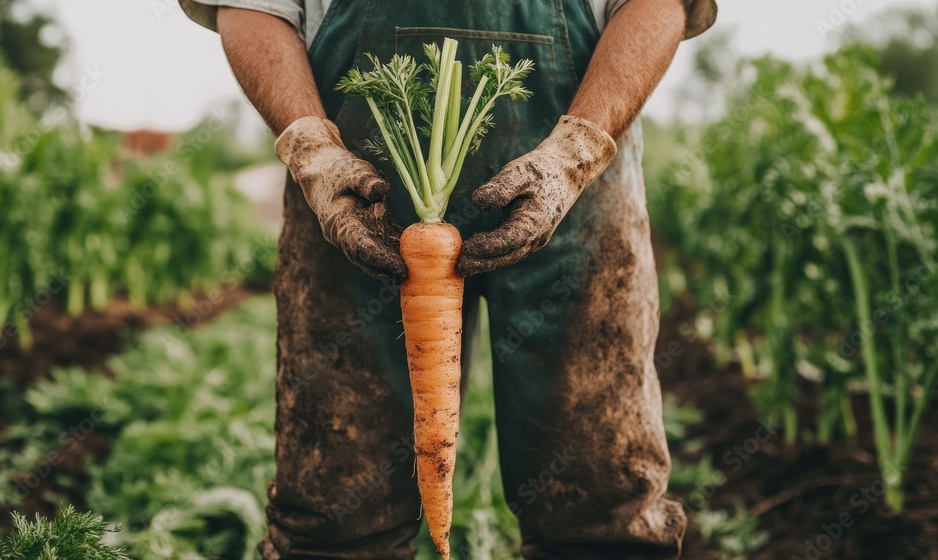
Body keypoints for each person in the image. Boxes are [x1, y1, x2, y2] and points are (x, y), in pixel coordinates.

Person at [179, 0, 717, 557]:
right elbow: (249, 7)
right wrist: (313, 152)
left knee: (597, 498)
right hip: (355, 197)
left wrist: (574, 153)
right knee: (338, 508)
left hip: (575, 192)